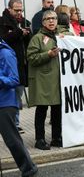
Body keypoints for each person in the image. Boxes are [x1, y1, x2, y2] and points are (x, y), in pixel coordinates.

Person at [0, 39, 38, 177]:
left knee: (12, 141)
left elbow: (15, 79)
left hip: (5, 104)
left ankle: (29, 169)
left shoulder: (5, 53)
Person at [27, 10, 63, 150]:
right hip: (43, 80)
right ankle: (40, 139)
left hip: (57, 81)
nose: (51, 21)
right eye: (48, 19)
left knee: (57, 110)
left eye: (54, 18)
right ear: (43, 22)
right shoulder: (37, 38)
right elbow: (31, 58)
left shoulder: (62, 36)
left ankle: (56, 137)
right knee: (42, 110)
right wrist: (47, 54)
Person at [0, 0, 31, 133]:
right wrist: (18, 32)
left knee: (17, 96)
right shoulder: (2, 22)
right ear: (9, 9)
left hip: (21, 66)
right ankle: (11, 124)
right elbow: (3, 39)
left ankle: (15, 123)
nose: (19, 13)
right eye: (16, 10)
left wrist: (27, 34)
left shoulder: (24, 22)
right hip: (7, 66)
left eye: (21, 10)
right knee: (9, 97)